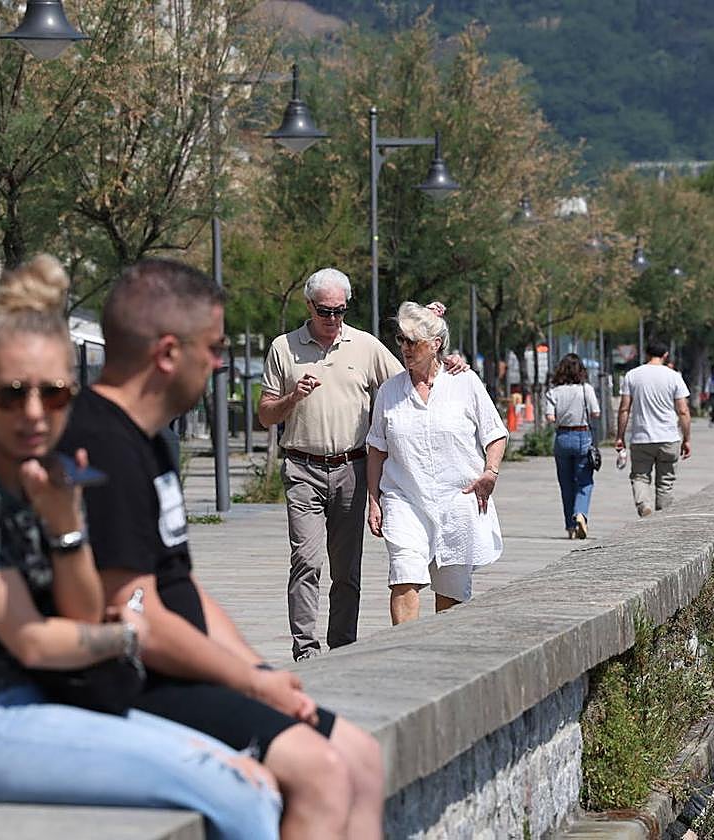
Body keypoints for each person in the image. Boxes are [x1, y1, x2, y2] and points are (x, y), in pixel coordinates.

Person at [0, 256, 280, 840]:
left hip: (33, 706)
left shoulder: (50, 473)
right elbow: (35, 641)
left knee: (252, 773)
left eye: (56, 393)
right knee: (237, 792)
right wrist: (128, 636)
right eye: (13, 395)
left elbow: (80, 615)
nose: (35, 413)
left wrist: (67, 528)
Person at [57, 259, 384, 840]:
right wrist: (251, 684)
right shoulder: (98, 447)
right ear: (166, 354)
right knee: (318, 772)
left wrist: (258, 670)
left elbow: (180, 587)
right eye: (212, 349)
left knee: (361, 755)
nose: (217, 366)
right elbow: (137, 613)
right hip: (124, 689)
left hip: (178, 668)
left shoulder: (155, 444)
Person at [258, 268, 464, 661]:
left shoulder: (364, 345)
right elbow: (265, 415)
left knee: (346, 568)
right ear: (309, 306)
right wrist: (291, 399)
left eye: (340, 311)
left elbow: (411, 374)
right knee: (305, 559)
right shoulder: (283, 348)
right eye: (324, 311)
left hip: (351, 468)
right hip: (303, 468)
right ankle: (306, 648)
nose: (333, 319)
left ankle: (342, 645)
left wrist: (441, 349)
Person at [365, 302, 507, 623]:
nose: (405, 348)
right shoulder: (389, 392)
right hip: (404, 499)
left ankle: (442, 658)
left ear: (436, 345)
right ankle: (405, 653)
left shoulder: (465, 383)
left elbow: (495, 433)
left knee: (451, 591)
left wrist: (491, 472)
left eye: (413, 341)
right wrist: (374, 501)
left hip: (457, 501)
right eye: (401, 340)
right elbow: (376, 449)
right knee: (403, 576)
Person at [614, 341, 691, 518]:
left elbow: (624, 408)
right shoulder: (674, 376)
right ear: (665, 355)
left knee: (640, 477)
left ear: (646, 354)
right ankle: (662, 518)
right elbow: (683, 410)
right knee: (665, 483)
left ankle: (644, 506)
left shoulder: (632, 376)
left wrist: (620, 436)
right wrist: (686, 439)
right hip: (669, 438)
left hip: (641, 438)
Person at [544, 353, 600, 539]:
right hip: (583, 435)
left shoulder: (554, 392)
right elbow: (596, 413)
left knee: (566, 484)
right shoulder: (586, 390)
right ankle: (580, 514)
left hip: (562, 437)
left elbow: (550, 417)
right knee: (584, 481)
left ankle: (570, 527)